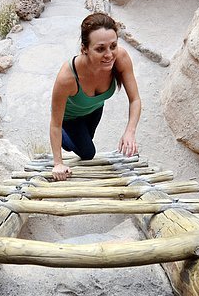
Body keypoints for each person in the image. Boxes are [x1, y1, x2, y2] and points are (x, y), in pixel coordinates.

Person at [49, 12, 141, 181]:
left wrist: (130, 132)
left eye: (113, 46)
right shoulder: (67, 78)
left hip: (95, 109)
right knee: (87, 153)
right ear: (84, 48)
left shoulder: (121, 58)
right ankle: (65, 137)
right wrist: (58, 163)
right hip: (69, 119)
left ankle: (77, 138)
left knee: (86, 141)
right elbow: (55, 123)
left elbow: (135, 99)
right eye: (100, 49)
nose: (109, 54)